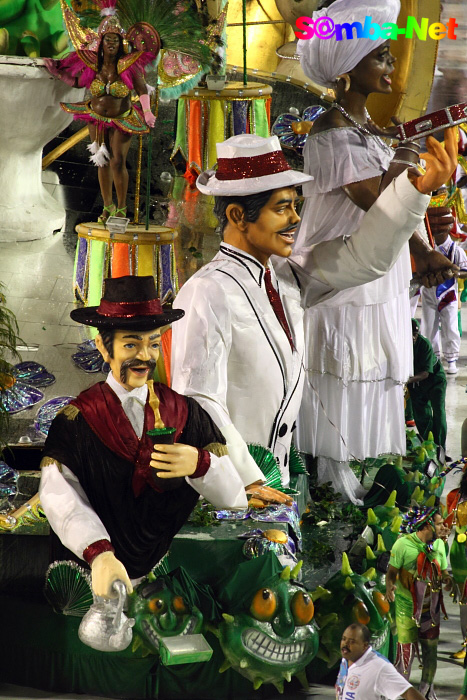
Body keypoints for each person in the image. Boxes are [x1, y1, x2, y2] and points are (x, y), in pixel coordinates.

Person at [171, 130, 457, 491]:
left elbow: (363, 257)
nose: (295, 220)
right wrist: (249, 483)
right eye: (282, 208)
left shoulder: (283, 278)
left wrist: (416, 191)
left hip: (274, 491)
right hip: (235, 494)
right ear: (237, 216)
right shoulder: (208, 292)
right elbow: (200, 402)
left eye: (296, 206)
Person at [294, 0, 458, 503]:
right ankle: (328, 491)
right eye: (379, 57)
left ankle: (354, 489)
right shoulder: (331, 132)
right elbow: (376, 200)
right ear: (346, 71)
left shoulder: (367, 129)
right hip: (340, 279)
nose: (390, 65)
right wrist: (413, 144)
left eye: (388, 54)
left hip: (376, 276)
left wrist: (424, 253)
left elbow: (389, 215)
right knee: (341, 376)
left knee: (371, 376)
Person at [39, 275, 290, 600]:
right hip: (96, 581)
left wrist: (199, 464)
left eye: (153, 343)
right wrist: (99, 552)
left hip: (168, 581)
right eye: (131, 344)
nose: (145, 356)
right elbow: (60, 497)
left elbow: (233, 498)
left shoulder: (187, 414)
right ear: (103, 346)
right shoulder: (77, 421)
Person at [43, 0, 215, 223]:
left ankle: (121, 208)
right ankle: (107, 206)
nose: (111, 44)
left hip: (122, 119)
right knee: (100, 160)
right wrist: (57, 73)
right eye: (107, 40)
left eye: (115, 40)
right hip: (95, 117)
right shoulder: (92, 63)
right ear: (101, 42)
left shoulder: (129, 63)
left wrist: (148, 112)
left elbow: (142, 88)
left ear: (121, 42)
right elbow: (76, 82)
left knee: (117, 161)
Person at [385, 507, 452, 700]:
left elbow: (443, 569)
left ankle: (426, 691)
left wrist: (447, 579)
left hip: (431, 608)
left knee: (430, 649)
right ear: (426, 525)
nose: (443, 527)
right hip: (407, 608)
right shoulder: (402, 545)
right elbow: (391, 571)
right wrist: (390, 586)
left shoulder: (439, 544)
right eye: (438, 524)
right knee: (405, 653)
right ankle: (401, 693)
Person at [336, 623, 425, 700]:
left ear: (365, 645)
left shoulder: (379, 667)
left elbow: (408, 692)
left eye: (352, 641)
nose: (345, 644)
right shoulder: (347, 658)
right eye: (344, 639)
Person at [421, 229, 467, 374]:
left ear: (446, 230)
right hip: (429, 293)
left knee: (451, 328)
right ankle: (433, 360)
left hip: (448, 295)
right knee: (428, 328)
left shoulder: (456, 250)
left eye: (439, 229)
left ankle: (451, 360)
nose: (435, 232)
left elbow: (465, 271)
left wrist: (455, 272)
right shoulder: (427, 248)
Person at [407, 319, 447, 451]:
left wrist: (405, 380)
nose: (413, 337)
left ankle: (440, 448)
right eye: (410, 334)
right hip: (416, 384)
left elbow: (425, 373)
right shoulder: (399, 345)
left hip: (435, 381)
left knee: (438, 413)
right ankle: (429, 446)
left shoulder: (424, 344)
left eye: (415, 334)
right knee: (421, 415)